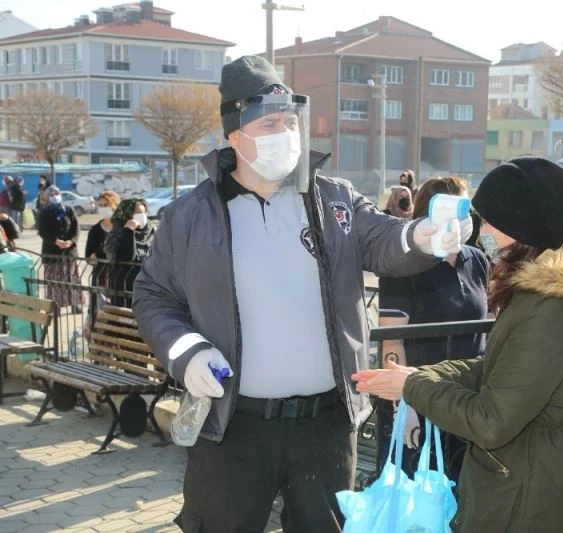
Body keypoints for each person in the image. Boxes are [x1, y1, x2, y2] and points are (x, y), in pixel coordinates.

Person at [132, 54, 466, 533]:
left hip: (325, 423)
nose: (286, 133)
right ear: (235, 136)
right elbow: (153, 296)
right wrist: (188, 353)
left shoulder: (334, 200)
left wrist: (421, 236)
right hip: (233, 425)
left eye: (291, 122)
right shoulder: (191, 215)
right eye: (269, 124)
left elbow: (383, 240)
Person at [353, 156, 563, 532]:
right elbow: (503, 366)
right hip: (534, 475)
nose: (481, 231)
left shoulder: (551, 310)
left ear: (522, 227)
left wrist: (414, 387)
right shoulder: (547, 294)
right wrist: (421, 376)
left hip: (527, 491)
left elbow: (492, 421)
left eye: (490, 222)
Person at [378, 175, 490, 481]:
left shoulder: (478, 260)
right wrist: (402, 407)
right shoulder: (403, 266)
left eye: (468, 210)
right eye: (458, 211)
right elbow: (392, 341)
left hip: (466, 404)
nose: (465, 219)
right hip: (419, 402)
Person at [37, 185, 82, 313]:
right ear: (47, 197)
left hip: (69, 251)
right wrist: (55, 241)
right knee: (54, 280)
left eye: (56, 193)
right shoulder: (44, 212)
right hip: (52, 251)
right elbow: (42, 231)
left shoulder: (68, 210)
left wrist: (71, 241)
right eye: (51, 194)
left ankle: (75, 304)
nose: (54, 196)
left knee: (71, 278)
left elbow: (76, 229)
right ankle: (55, 305)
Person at [104, 198, 154, 308]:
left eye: (143, 212)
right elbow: (126, 257)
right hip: (124, 286)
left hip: (148, 288)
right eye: (137, 213)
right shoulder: (117, 234)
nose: (142, 216)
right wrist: (128, 231)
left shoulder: (152, 232)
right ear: (126, 215)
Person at [85, 191, 121, 322]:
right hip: (100, 277)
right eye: (100, 205)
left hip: (119, 277)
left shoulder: (122, 228)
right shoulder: (95, 230)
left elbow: (122, 253)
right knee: (99, 311)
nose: (103, 208)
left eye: (106, 204)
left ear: (114, 205)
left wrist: (100, 253)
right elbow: (89, 256)